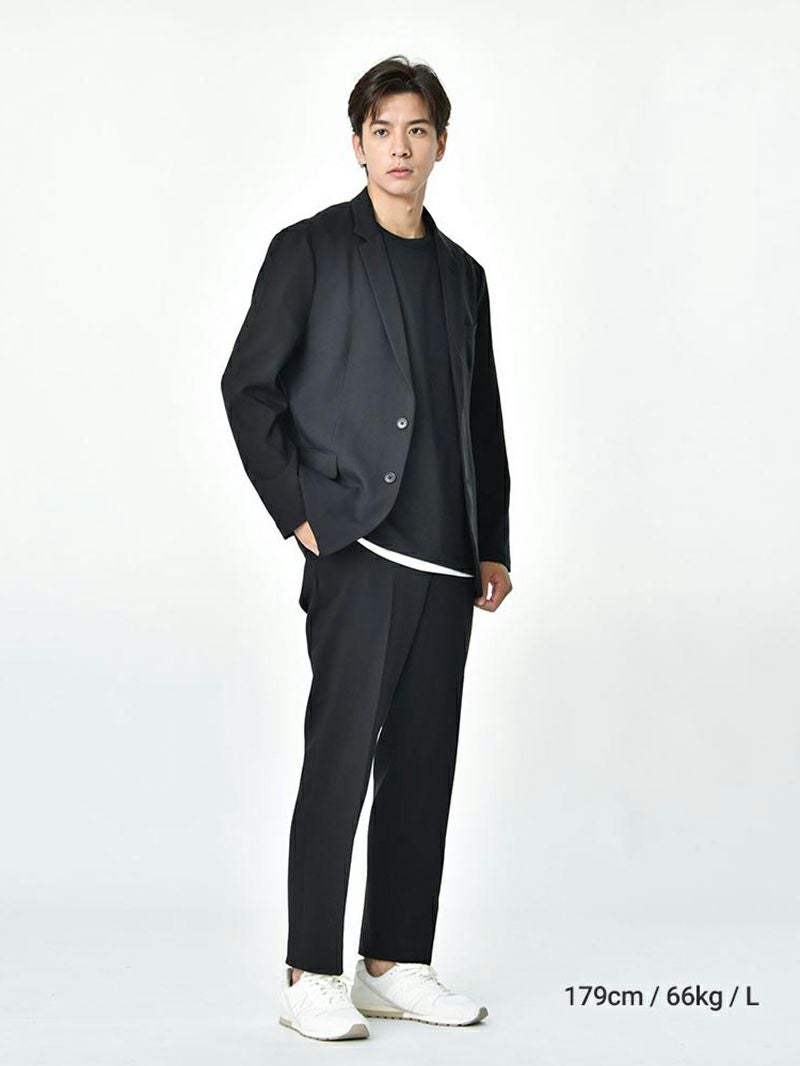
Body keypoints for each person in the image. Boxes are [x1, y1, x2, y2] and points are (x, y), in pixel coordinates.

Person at [220, 54, 512, 1042]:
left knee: (424, 767)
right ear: (357, 144)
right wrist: (299, 510)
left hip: (445, 560)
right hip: (358, 548)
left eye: (416, 129)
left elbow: (480, 418)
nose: (399, 146)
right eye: (382, 129)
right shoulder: (310, 250)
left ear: (440, 145)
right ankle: (311, 969)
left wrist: (491, 541)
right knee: (339, 762)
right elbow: (247, 388)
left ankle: (392, 961)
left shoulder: (463, 277)